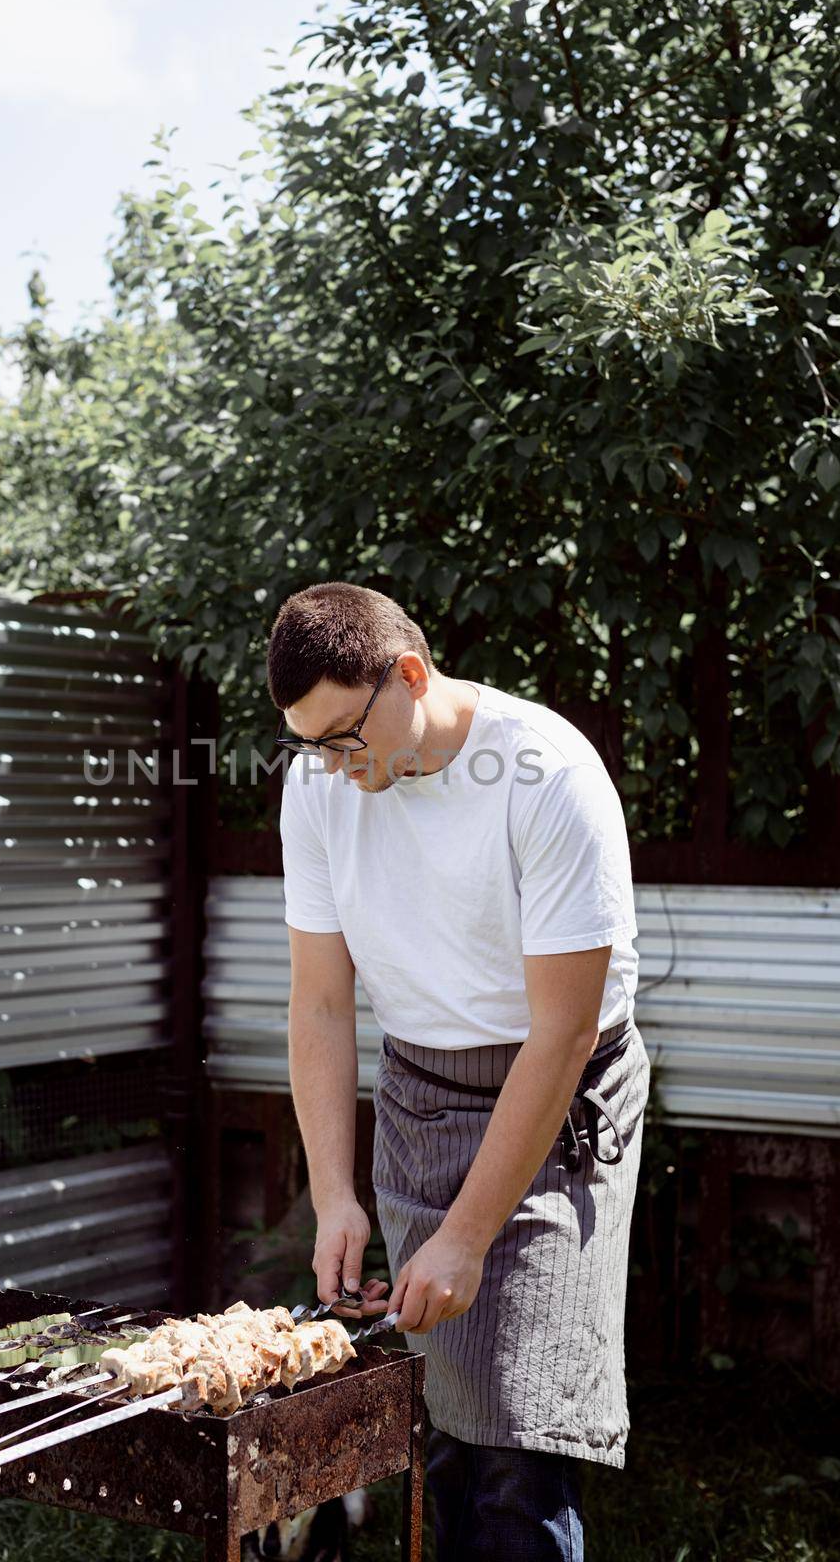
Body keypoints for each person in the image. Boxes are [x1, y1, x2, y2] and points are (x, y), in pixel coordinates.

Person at [268, 582, 650, 1562]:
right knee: (442, 1436)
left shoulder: (545, 774)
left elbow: (562, 1033)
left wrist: (470, 1235)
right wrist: (334, 1194)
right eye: (310, 744)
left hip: (558, 1108)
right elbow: (318, 1001)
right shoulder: (318, 784)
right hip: (421, 1098)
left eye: (345, 737)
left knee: (518, 1442)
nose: (331, 767)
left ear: (408, 675)